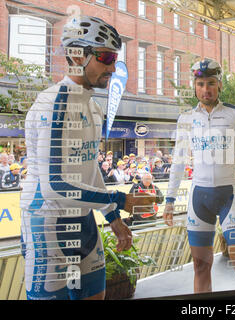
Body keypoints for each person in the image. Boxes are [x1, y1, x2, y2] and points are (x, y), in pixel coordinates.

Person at [20, 16, 155, 300]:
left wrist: (114, 219)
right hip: (49, 226)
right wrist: (119, 199)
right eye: (105, 57)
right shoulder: (52, 104)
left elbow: (89, 168)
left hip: (83, 223)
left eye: (115, 58)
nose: (112, 67)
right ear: (76, 55)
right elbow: (54, 186)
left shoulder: (92, 107)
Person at [163, 58, 235, 293]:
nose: (205, 89)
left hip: (230, 196)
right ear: (194, 86)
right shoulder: (186, 119)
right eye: (200, 84)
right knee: (200, 266)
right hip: (199, 197)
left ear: (220, 85)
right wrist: (169, 201)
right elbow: (178, 162)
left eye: (211, 83)